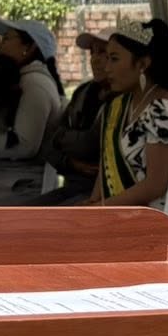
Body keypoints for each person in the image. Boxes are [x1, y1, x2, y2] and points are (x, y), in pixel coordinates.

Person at [82, 19, 168, 211]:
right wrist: (93, 203)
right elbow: (107, 166)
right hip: (116, 211)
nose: (107, 68)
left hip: (151, 217)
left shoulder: (162, 109)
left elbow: (156, 184)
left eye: (114, 59)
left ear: (142, 64)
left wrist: (101, 208)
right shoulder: (119, 105)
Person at [0, 16, 64, 206]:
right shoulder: (18, 80)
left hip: (17, 187)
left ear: (30, 47)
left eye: (7, 38)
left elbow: (25, 145)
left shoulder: (34, 84)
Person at [37, 24, 112, 204]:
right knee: (27, 212)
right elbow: (49, 145)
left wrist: (64, 138)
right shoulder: (84, 93)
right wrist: (71, 162)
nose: (95, 59)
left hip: (104, 191)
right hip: (73, 183)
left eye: (103, 52)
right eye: (92, 52)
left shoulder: (125, 99)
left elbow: (90, 144)